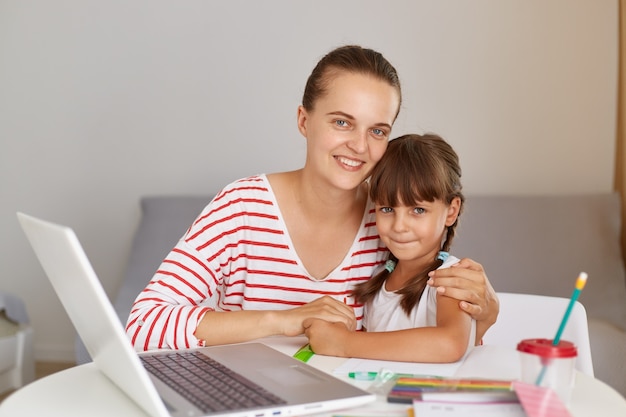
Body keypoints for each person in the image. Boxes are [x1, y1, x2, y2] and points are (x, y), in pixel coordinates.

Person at [126, 45, 499, 352]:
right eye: (341, 122)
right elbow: (143, 325)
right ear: (304, 120)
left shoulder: (390, 220)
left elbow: (434, 324)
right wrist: (285, 319)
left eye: (378, 130)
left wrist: (487, 308)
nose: (359, 145)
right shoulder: (240, 208)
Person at [304, 133, 475, 362]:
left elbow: (450, 344)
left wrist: (343, 343)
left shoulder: (450, 279)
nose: (399, 226)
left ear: (451, 211)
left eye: (418, 210)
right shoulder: (378, 279)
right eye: (387, 209)